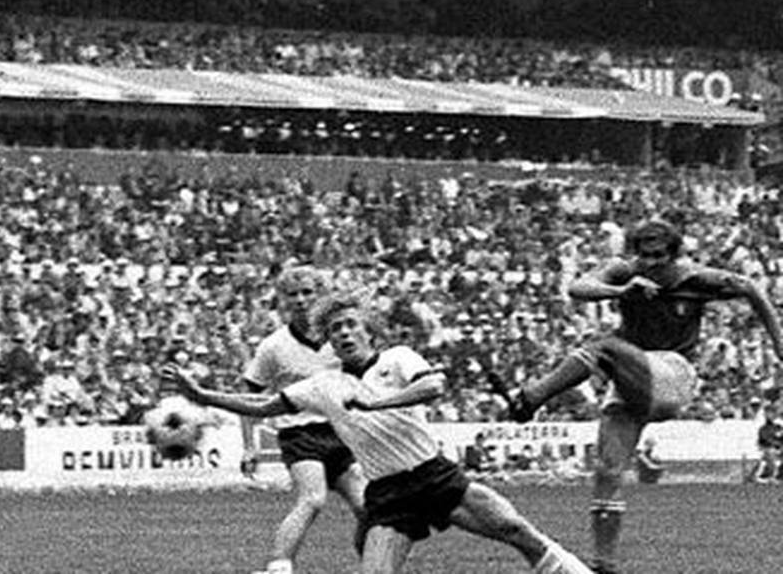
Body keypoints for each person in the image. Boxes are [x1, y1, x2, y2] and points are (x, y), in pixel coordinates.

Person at [164, 290, 592, 574]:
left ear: (369, 331)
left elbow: (433, 385)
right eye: (335, 329)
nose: (345, 332)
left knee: (520, 533)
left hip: (435, 476)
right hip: (389, 494)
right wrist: (202, 394)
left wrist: (377, 403)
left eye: (351, 324)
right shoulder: (323, 385)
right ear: (329, 343)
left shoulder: (399, 358)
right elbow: (264, 404)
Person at [488, 218, 783, 574]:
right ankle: (604, 566)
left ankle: (531, 398)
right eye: (644, 256)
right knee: (607, 470)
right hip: (630, 376)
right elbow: (578, 287)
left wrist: (780, 345)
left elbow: (752, 288)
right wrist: (621, 290)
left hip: (673, 372)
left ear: (674, 254)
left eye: (660, 256)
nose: (652, 263)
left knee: (605, 346)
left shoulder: (695, 279)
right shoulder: (623, 272)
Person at [239, 266, 366, 574]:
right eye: (292, 294)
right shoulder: (273, 346)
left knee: (368, 507)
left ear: (320, 295)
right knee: (313, 497)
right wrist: (248, 446)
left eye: (308, 292)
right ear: (282, 300)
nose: (300, 300)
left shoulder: (341, 337)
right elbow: (249, 396)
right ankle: (278, 567)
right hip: (299, 433)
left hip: (341, 431)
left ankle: (375, 565)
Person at [752, 403, 783, 483]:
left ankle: (778, 476)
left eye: (772, 412)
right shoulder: (763, 428)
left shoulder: (778, 427)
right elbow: (765, 440)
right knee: (771, 452)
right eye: (767, 412)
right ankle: (766, 476)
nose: (769, 415)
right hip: (767, 450)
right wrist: (777, 445)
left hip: (778, 450)